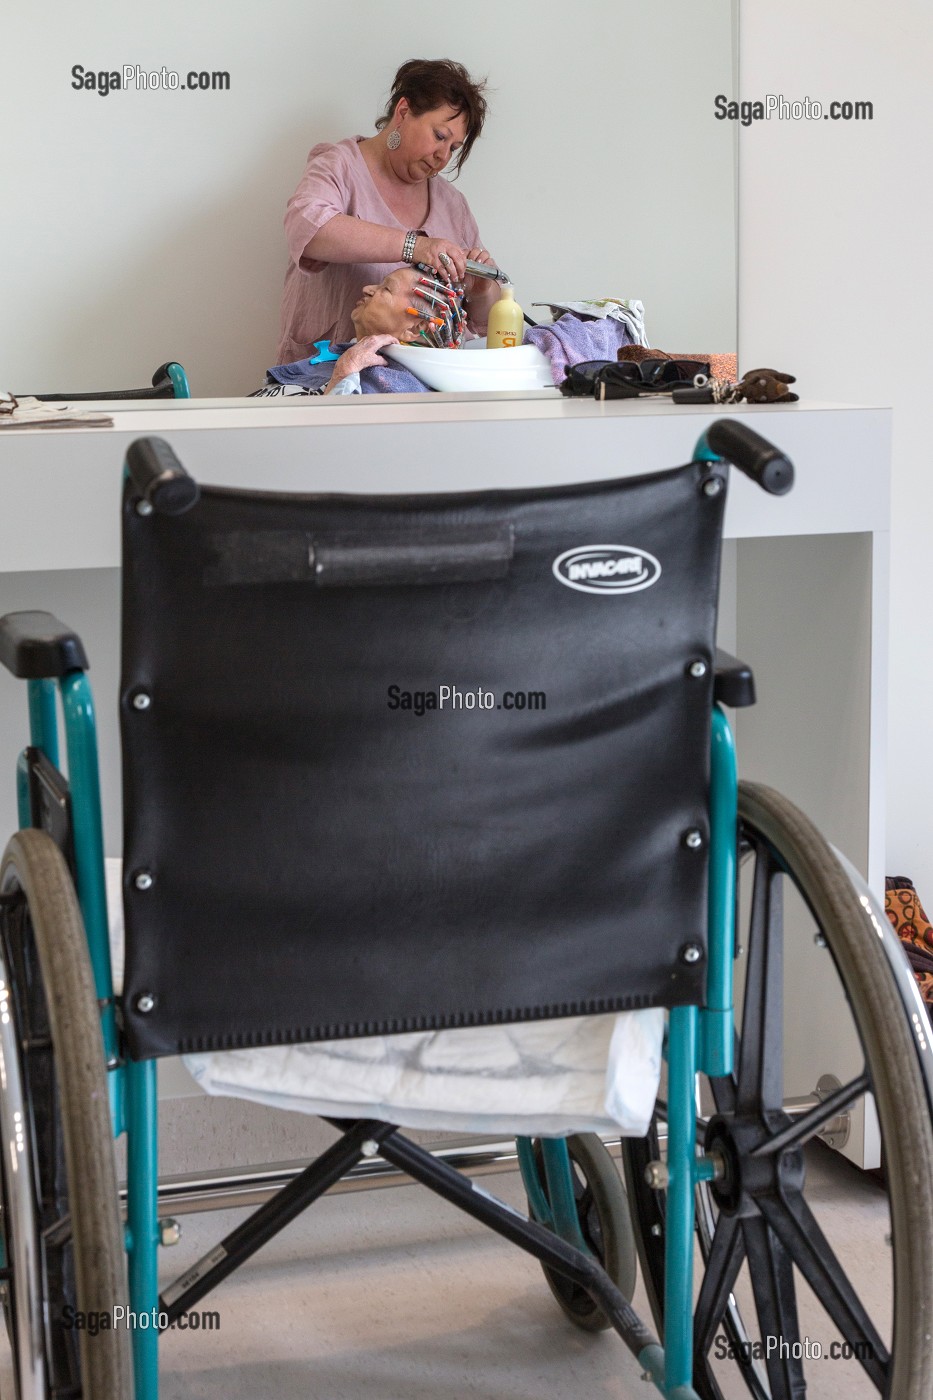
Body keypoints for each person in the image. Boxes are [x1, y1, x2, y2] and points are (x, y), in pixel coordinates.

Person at [277, 59, 499, 363]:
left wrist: (481, 291)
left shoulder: (452, 205)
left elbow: (486, 323)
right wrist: (416, 247)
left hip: (414, 381)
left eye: (453, 148)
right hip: (323, 374)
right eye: (439, 136)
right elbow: (309, 230)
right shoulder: (339, 166)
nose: (443, 156)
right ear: (403, 112)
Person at [255, 265, 458, 397]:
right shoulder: (346, 356)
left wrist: (345, 374)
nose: (367, 288)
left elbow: (335, 440)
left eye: (386, 289)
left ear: (415, 328)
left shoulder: (400, 388)